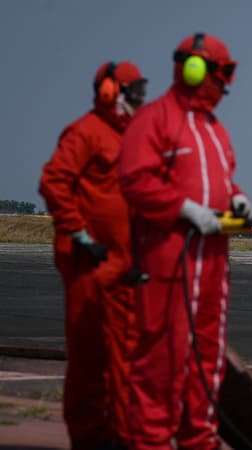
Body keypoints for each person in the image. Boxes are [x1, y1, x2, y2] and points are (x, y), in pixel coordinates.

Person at [118, 32, 252, 450]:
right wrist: (185, 210)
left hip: (213, 263)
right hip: (169, 260)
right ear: (196, 69)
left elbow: (222, 178)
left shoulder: (216, 131)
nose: (225, 82)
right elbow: (135, 180)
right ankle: (152, 443)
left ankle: (199, 440)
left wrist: (236, 197)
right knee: (162, 359)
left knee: (208, 360)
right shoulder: (155, 120)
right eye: (221, 71)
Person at [39, 61, 148, 449]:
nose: (141, 99)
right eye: (134, 91)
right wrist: (78, 232)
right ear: (109, 93)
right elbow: (53, 181)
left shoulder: (130, 138)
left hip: (119, 264)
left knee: (123, 355)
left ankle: (119, 434)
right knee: (89, 357)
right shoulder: (86, 132)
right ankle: (89, 438)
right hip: (88, 262)